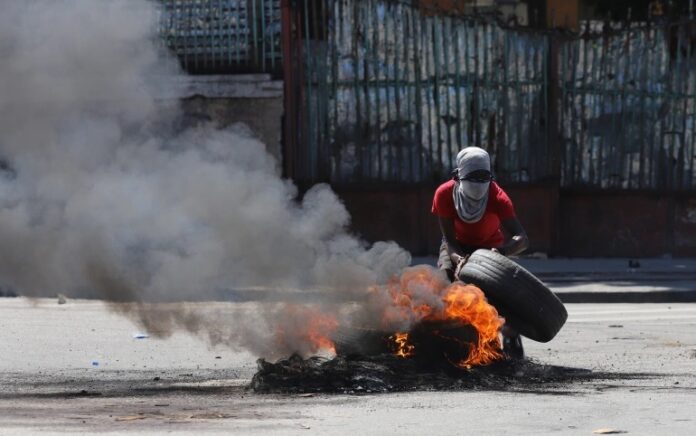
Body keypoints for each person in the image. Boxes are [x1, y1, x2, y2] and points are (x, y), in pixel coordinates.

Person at [431, 146, 529, 359]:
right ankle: (450, 343)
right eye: (471, 179)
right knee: (445, 283)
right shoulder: (444, 194)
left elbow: (522, 239)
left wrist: (502, 252)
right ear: (458, 176)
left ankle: (509, 336)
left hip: (490, 248)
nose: (477, 185)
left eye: (482, 179)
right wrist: (457, 260)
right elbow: (448, 239)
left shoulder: (498, 197)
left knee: (492, 296)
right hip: (456, 245)